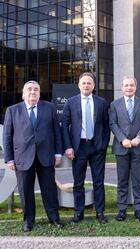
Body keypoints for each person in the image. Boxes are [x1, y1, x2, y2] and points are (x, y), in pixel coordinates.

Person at [3, 80, 64, 232]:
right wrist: (9, 158)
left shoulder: (49, 108)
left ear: (39, 93)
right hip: (22, 158)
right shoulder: (12, 110)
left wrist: (58, 153)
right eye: (29, 89)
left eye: (36, 89)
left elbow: (57, 131)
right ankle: (28, 221)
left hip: (46, 156)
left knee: (49, 190)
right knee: (26, 191)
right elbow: (7, 136)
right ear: (23, 94)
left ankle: (54, 218)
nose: (32, 92)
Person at [61, 72, 110, 224]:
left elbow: (107, 126)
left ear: (94, 86)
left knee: (98, 181)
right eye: (83, 83)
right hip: (78, 147)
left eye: (89, 83)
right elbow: (65, 126)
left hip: (97, 147)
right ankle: (79, 212)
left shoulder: (101, 102)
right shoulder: (71, 102)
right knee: (78, 182)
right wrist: (68, 147)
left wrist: (103, 144)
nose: (86, 85)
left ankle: (100, 212)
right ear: (79, 85)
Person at [109, 76, 140, 222]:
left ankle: (138, 209)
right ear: (122, 87)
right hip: (121, 148)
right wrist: (123, 139)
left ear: (136, 86)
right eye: (126, 85)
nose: (129, 88)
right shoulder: (115, 104)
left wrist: (139, 138)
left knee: (137, 179)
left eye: (131, 85)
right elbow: (113, 124)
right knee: (122, 180)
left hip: (138, 147)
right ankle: (122, 210)